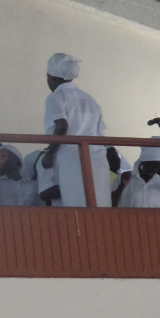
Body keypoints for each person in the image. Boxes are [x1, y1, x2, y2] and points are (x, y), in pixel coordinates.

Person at [41, 53, 110, 207]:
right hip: (98, 161)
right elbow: (100, 135)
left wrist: (50, 152)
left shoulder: (55, 97)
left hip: (72, 162)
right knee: (100, 207)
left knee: (77, 209)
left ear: (52, 78)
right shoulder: (90, 99)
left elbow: (62, 126)